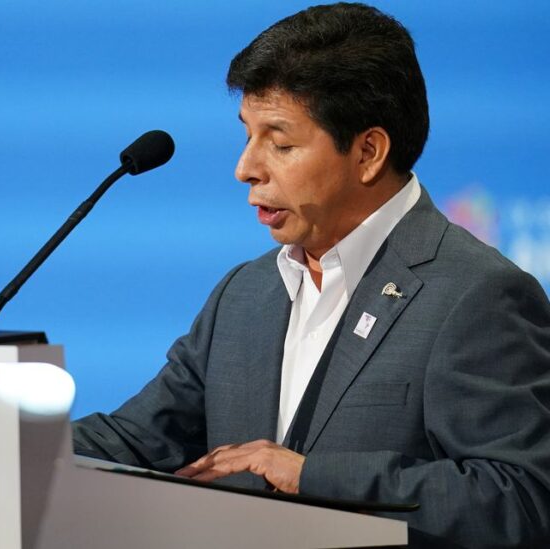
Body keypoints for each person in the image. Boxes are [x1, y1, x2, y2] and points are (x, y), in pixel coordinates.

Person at [72, 3, 550, 547]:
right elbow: (136, 441)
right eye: (247, 135)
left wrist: (309, 476)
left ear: (368, 152)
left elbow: (524, 496)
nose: (246, 167)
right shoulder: (245, 295)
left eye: (280, 142)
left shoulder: (476, 294)